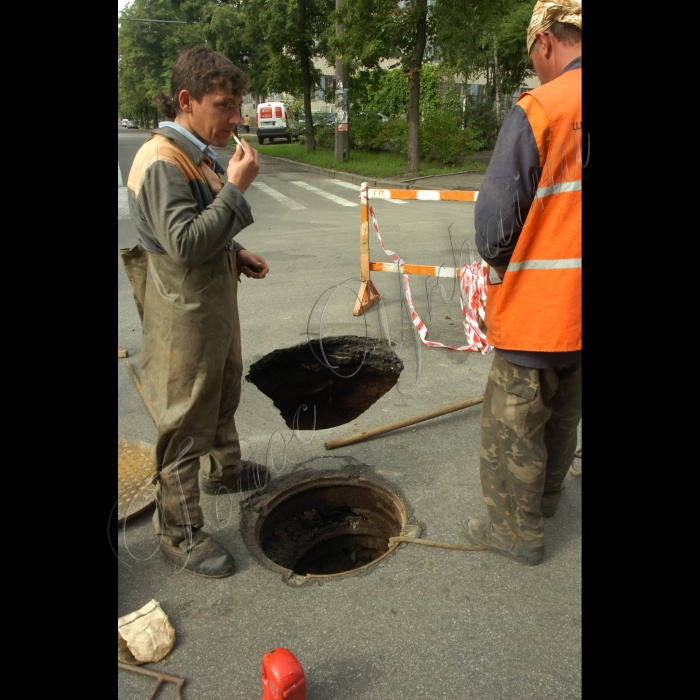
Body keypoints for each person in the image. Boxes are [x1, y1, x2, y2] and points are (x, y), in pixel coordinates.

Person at [121, 46, 270, 578]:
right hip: (182, 311)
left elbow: (200, 226)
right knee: (185, 417)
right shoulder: (164, 160)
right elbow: (182, 243)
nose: (235, 118)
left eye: (238, 105)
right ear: (186, 100)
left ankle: (224, 470)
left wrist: (235, 251)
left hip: (209, 301)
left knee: (223, 387)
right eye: (223, 105)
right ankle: (179, 533)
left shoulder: (195, 150)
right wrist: (236, 187)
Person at [462, 1, 582, 566]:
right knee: (565, 412)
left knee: (515, 424)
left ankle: (516, 529)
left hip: (539, 311)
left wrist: (506, 262)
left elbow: (494, 225)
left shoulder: (543, 107)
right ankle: (549, 499)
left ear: (545, 43)